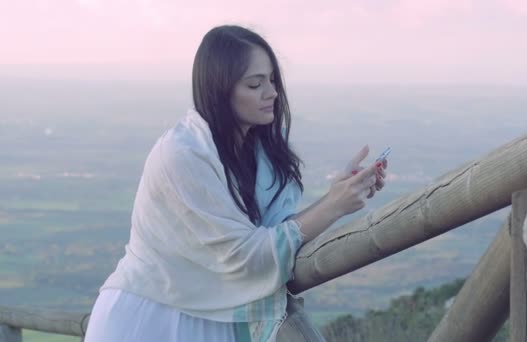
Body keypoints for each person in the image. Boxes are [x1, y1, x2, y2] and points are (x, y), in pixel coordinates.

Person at [84, 25, 388, 342]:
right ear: (219, 90)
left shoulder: (258, 152)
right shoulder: (182, 155)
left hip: (214, 319)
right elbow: (243, 257)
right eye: (255, 84)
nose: (271, 92)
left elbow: (272, 236)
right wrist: (333, 206)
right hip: (147, 321)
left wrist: (337, 195)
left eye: (272, 80)